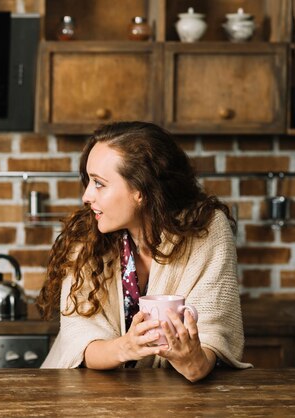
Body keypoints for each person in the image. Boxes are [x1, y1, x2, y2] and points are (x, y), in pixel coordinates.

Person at [37, 121, 251, 382]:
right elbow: (78, 338)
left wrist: (191, 360)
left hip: (175, 398)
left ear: (141, 190)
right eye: (88, 181)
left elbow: (211, 336)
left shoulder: (206, 229)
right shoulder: (85, 236)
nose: (86, 196)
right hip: (87, 391)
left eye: (99, 183)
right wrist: (126, 347)